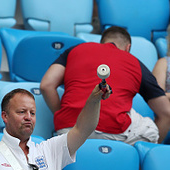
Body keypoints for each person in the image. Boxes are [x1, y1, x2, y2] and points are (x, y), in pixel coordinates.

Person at [40, 26, 170, 144]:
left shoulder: (75, 50)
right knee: (150, 129)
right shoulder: (135, 62)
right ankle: (138, 167)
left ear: (102, 42)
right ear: (128, 48)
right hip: (115, 133)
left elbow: (46, 85)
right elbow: (166, 112)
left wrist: (63, 115)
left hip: (69, 132)